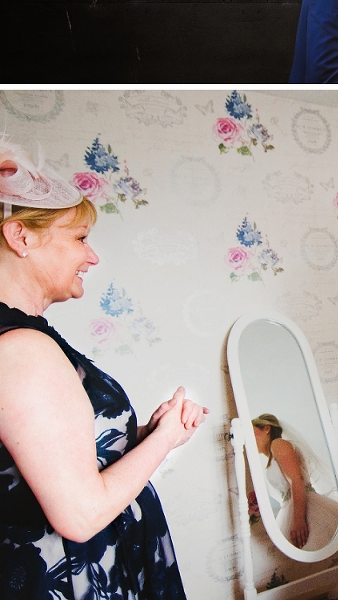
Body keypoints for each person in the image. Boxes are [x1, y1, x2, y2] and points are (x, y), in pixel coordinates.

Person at [0, 140, 206, 600]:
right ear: (21, 237)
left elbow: (57, 461)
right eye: (79, 238)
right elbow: (80, 514)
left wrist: (148, 436)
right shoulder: (21, 349)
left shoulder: (28, 337)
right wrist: (168, 439)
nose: (91, 257)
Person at [247, 413, 338, 590]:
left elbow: (297, 480)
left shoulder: (278, 444)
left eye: (252, 432)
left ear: (266, 428)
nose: (249, 440)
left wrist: (298, 520)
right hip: (290, 507)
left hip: (306, 508)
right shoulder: (270, 457)